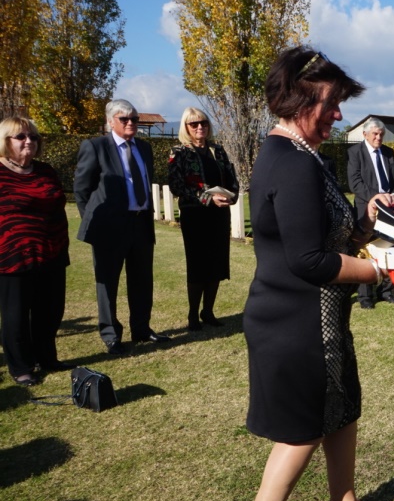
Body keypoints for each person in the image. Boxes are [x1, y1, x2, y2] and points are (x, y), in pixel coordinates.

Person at [236, 46, 394, 501]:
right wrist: (381, 272)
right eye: (330, 103)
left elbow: (337, 231)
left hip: (323, 321)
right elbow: (310, 260)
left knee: (342, 410)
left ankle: (343, 500)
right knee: (303, 428)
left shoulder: (302, 156)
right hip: (297, 322)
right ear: (298, 98)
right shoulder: (292, 162)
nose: (337, 115)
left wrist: (371, 221)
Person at [74, 99, 170, 355]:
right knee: (107, 283)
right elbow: (81, 190)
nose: (131, 123)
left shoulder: (145, 148)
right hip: (109, 228)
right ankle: (110, 335)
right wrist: (94, 223)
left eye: (134, 119)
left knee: (142, 280)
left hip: (140, 223)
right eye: (124, 119)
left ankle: (141, 328)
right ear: (110, 121)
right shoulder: (95, 147)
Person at [0, 117, 72, 386]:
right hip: (13, 256)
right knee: (16, 315)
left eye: (33, 137)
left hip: (52, 251)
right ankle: (21, 367)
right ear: (6, 141)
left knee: (51, 310)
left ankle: (47, 358)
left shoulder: (45, 170)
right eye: (20, 137)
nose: (29, 141)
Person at [168, 107, 240, 331]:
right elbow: (176, 186)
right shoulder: (178, 152)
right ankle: (192, 315)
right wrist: (208, 199)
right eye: (194, 124)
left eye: (204, 123)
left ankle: (208, 311)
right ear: (186, 127)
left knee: (217, 262)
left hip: (219, 215)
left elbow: (231, 177)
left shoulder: (218, 150)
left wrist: (232, 196)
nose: (200, 127)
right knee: (198, 264)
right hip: (195, 215)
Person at [347, 117, 394, 309]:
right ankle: (365, 297)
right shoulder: (355, 153)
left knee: (390, 248)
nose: (379, 138)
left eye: (381, 134)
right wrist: (377, 198)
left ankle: (387, 292)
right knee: (367, 251)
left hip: (390, 210)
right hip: (366, 210)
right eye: (375, 134)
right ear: (365, 134)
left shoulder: (389, 153)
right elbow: (355, 183)